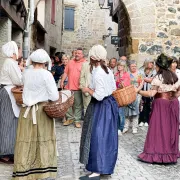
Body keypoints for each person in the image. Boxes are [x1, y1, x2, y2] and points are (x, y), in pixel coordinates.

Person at [12, 49, 59, 179]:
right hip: (41, 111)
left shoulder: (26, 73)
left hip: (26, 112)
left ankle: (24, 172)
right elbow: (54, 96)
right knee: (42, 140)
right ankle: (42, 172)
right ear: (44, 62)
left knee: (25, 141)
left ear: (32, 60)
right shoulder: (46, 75)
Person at [79, 45, 118, 180]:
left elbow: (99, 95)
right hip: (109, 105)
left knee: (97, 136)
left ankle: (96, 170)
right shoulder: (106, 70)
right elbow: (113, 87)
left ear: (93, 57)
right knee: (106, 138)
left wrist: (87, 90)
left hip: (100, 106)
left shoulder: (98, 72)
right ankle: (104, 167)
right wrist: (93, 88)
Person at [137, 54, 180, 164]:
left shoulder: (158, 77)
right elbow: (177, 92)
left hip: (161, 104)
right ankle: (171, 153)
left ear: (159, 66)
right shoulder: (174, 76)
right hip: (173, 103)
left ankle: (157, 153)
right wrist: (172, 97)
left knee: (159, 128)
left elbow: (152, 93)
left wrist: (138, 91)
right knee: (170, 128)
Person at [0, 41, 22, 164]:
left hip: (8, 92)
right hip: (8, 93)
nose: (19, 53)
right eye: (18, 51)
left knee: (9, 122)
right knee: (7, 122)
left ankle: (8, 151)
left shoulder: (10, 62)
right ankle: (5, 153)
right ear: (14, 52)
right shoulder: (11, 62)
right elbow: (17, 80)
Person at [61, 48, 86, 128]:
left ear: (82, 55)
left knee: (77, 105)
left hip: (78, 88)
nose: (77, 54)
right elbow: (65, 72)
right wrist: (62, 81)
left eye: (79, 53)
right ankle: (70, 118)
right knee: (67, 104)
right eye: (76, 53)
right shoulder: (70, 62)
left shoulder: (85, 63)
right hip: (68, 87)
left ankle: (77, 120)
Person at [123, 60, 142, 134]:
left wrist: (137, 90)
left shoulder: (139, 74)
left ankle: (135, 127)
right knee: (127, 112)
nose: (134, 67)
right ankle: (126, 127)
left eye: (135, 66)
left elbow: (141, 83)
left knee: (136, 111)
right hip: (128, 94)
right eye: (132, 66)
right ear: (129, 67)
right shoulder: (127, 74)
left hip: (137, 94)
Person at [138, 58, 156, 127]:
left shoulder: (154, 71)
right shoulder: (140, 70)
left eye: (152, 63)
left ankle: (147, 120)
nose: (152, 64)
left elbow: (153, 80)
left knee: (149, 105)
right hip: (142, 89)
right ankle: (141, 120)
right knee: (141, 105)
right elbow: (139, 78)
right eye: (150, 63)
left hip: (150, 90)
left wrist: (146, 79)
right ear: (146, 63)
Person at [115, 61, 131, 135]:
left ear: (124, 67)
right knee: (116, 113)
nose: (119, 67)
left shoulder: (126, 75)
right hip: (116, 95)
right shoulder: (116, 74)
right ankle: (116, 127)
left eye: (121, 65)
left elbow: (125, 85)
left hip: (123, 96)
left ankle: (120, 128)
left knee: (121, 113)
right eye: (118, 65)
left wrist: (118, 83)